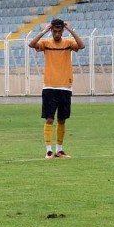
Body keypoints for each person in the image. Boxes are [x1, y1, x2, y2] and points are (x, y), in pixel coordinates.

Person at [29, 19, 85, 158]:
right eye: (55, 31)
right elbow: (31, 44)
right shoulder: (46, 43)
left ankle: (59, 150)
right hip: (49, 86)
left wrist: (71, 30)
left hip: (65, 87)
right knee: (49, 119)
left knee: (62, 119)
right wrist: (44, 31)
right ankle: (48, 150)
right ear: (52, 30)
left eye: (60, 31)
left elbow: (81, 45)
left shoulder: (68, 43)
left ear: (63, 31)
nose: (57, 34)